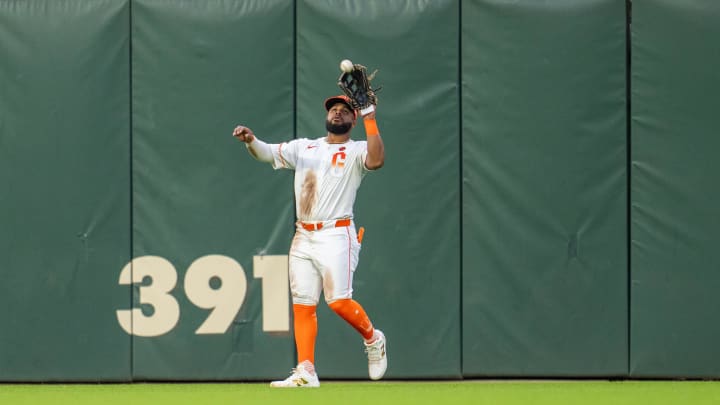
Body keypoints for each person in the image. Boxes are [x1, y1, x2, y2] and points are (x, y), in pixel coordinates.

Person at [232, 95, 387, 388]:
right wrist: (251, 140)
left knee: (338, 301)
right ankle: (306, 370)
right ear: (326, 116)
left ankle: (373, 337)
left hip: (336, 231)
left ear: (353, 120)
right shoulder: (305, 147)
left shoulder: (356, 150)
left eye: (344, 110)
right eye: (333, 109)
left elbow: (377, 160)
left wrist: (370, 117)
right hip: (304, 234)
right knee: (303, 304)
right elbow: (267, 153)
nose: (337, 113)